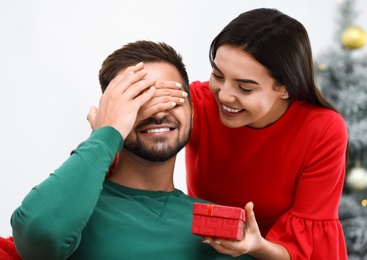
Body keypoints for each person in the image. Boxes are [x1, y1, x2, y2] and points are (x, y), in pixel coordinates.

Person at [10, 41, 254, 260]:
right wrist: (107, 132)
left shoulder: (223, 228)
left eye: (172, 98)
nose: (158, 113)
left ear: (192, 112)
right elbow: (40, 237)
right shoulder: (77, 213)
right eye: (139, 101)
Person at [145, 8, 349, 259]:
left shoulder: (323, 130)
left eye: (245, 88)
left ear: (284, 88)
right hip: (209, 249)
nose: (224, 95)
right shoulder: (197, 104)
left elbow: (305, 246)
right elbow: (126, 152)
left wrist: (256, 246)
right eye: (218, 75)